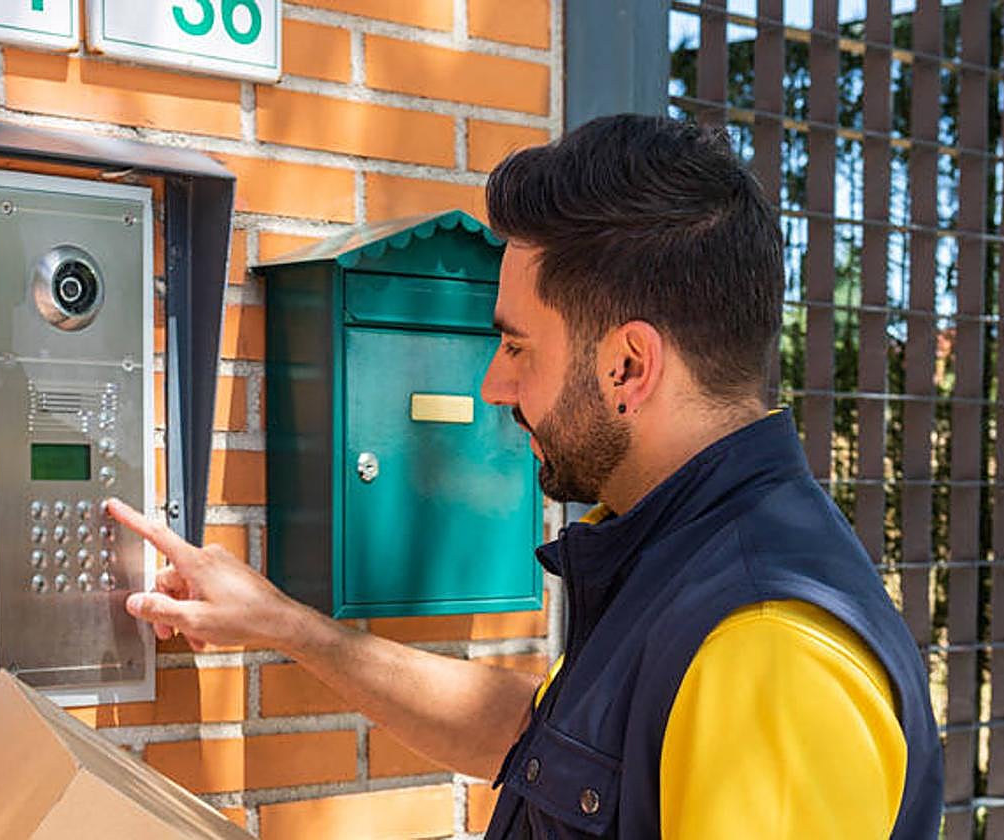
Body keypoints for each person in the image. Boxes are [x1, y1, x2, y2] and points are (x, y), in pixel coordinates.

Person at [106, 115, 943, 838]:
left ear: (628, 365)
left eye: (516, 346)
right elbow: (534, 740)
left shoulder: (765, 651)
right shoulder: (679, 563)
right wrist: (282, 623)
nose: (493, 386)